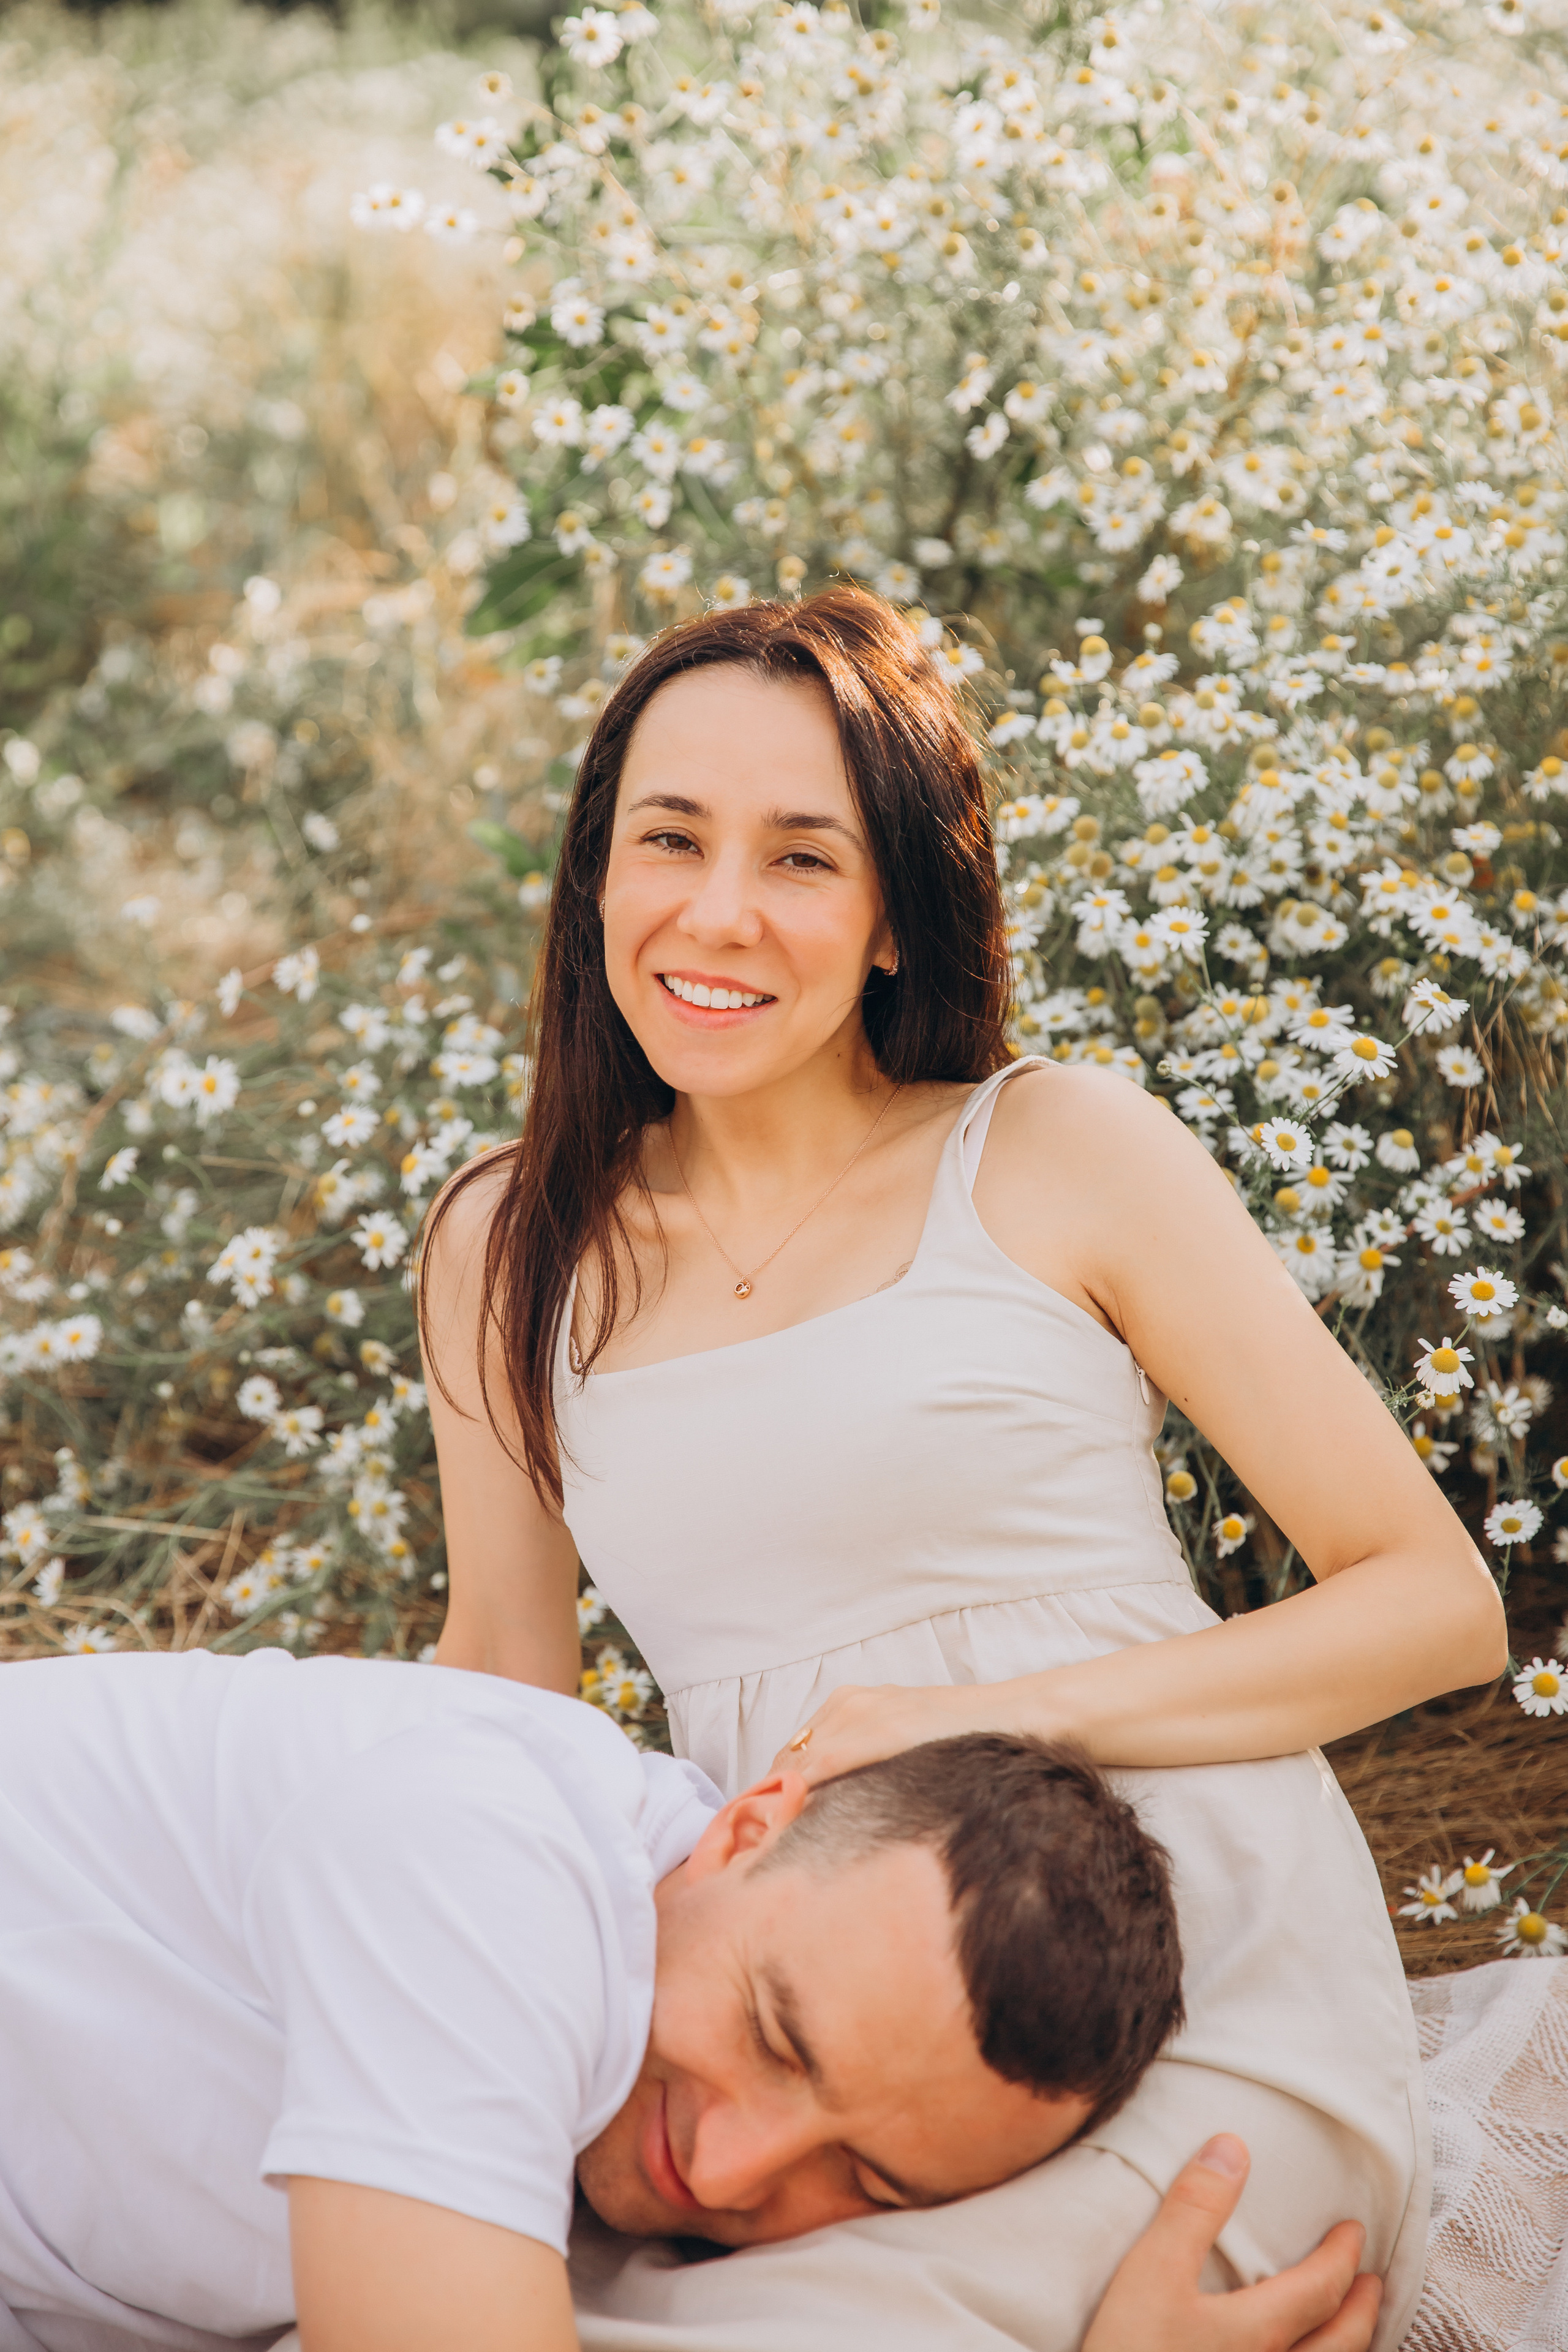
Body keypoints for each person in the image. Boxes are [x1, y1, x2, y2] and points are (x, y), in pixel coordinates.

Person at [421, 586, 1508, 2352]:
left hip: (1189, 1962)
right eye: (669, 841)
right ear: (595, 881)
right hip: (782, 2045)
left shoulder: (1058, 1152)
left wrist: (1002, 1728)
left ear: (896, 922)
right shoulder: (504, 1240)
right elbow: (498, 1684)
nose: (716, 913)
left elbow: (1437, 1606)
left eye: (801, 860)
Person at [0, 1648, 1374, 2352]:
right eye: (775, 2033)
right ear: (746, 1825)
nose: (728, 2171)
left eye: (868, 2181)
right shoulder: (480, 1858)